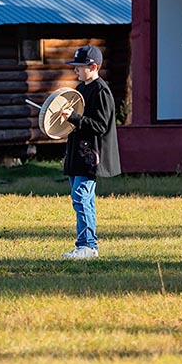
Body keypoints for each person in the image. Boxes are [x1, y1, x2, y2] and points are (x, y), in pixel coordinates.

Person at [59, 44, 121, 259]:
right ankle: (88, 246)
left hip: (91, 155)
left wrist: (74, 118)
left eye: (79, 66)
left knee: (81, 195)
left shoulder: (101, 91)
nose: (75, 70)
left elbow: (100, 126)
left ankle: (86, 245)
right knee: (84, 198)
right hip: (78, 152)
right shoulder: (81, 89)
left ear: (93, 66)